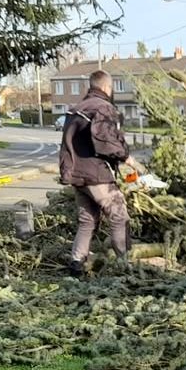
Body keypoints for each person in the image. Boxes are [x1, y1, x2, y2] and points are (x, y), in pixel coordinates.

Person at [58, 69, 131, 276]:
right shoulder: (103, 108)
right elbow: (106, 141)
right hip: (96, 174)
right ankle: (124, 264)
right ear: (107, 87)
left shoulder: (75, 109)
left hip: (76, 174)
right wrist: (126, 157)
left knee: (88, 219)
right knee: (118, 215)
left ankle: (76, 264)